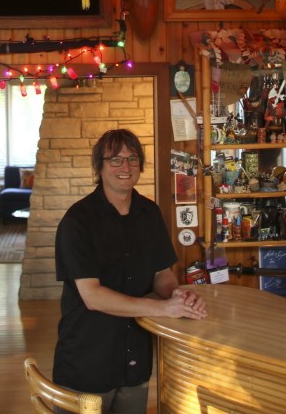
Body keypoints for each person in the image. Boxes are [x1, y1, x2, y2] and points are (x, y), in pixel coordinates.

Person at [53, 129, 207, 412]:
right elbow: (93, 297)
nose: (125, 167)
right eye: (115, 159)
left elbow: (162, 274)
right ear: (99, 166)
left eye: (132, 159)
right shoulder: (77, 222)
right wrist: (163, 309)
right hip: (88, 358)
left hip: (135, 358)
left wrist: (178, 296)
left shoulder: (149, 213)